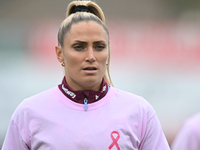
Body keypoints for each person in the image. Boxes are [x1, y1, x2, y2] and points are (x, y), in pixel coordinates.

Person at [2, 0, 170, 149]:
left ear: (108, 51)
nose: (91, 56)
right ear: (59, 53)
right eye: (79, 47)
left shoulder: (139, 112)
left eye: (99, 47)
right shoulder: (29, 112)